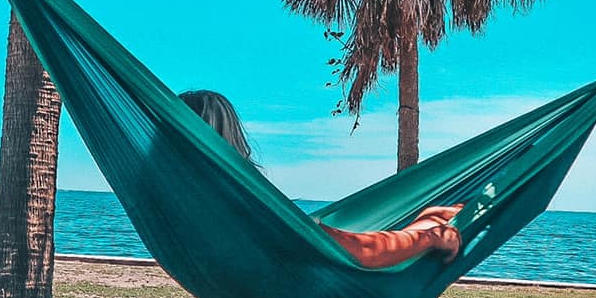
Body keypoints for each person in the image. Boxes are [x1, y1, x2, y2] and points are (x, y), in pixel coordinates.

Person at [178, 90, 463, 269]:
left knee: (433, 217)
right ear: (232, 141)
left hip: (292, 249)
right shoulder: (237, 200)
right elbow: (362, 254)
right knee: (434, 224)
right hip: (308, 265)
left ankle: (429, 220)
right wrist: (429, 239)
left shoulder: (170, 198)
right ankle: (429, 226)